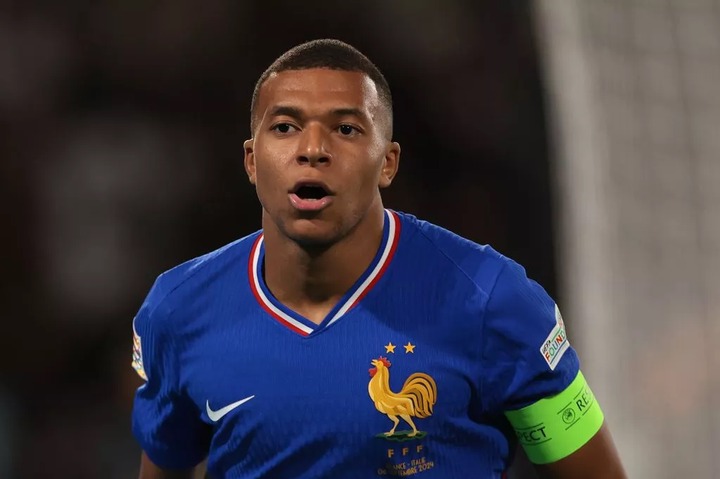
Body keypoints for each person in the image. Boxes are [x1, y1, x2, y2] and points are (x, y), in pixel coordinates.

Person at [130, 39, 626, 478]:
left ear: (387, 162)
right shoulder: (178, 311)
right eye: (285, 126)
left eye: (345, 129)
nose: (313, 149)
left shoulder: (494, 300)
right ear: (251, 161)